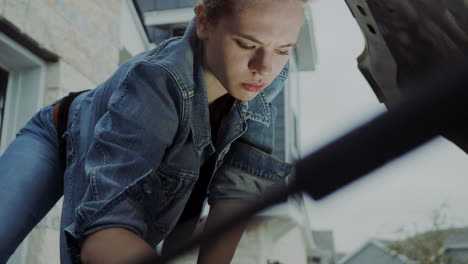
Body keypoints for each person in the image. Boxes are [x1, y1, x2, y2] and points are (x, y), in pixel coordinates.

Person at [0, 0, 308, 263]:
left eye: (282, 49)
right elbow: (103, 235)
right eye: (246, 44)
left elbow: (237, 190)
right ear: (203, 22)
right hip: (58, 138)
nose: (264, 67)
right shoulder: (157, 82)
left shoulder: (268, 76)